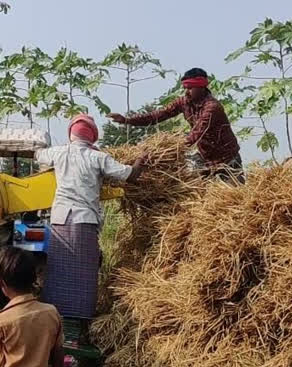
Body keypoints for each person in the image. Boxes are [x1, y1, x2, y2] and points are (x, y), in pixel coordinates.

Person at [35, 113, 146, 343]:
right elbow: (130, 176)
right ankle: (79, 326)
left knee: (58, 270)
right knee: (84, 273)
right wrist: (141, 160)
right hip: (84, 221)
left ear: (71, 134)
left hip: (60, 220)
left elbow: (38, 155)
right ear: (92, 136)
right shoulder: (98, 158)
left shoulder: (59, 152)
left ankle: (54, 321)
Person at [108, 67, 243, 183]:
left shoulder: (212, 107)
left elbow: (195, 134)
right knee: (196, 194)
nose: (187, 92)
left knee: (236, 197)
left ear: (202, 87)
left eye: (190, 88)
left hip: (227, 158)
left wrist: (164, 151)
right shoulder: (184, 102)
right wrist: (127, 120)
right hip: (205, 157)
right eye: (185, 88)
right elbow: (158, 115)